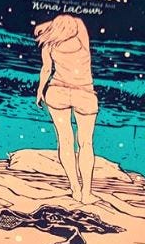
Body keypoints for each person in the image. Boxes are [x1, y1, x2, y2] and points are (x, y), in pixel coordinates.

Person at [34, 14, 99, 204]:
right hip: (84, 94)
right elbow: (77, 21)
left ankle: (75, 188)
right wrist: (57, 24)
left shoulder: (49, 44)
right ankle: (86, 193)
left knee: (65, 141)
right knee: (85, 143)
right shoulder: (81, 40)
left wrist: (40, 91)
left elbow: (46, 69)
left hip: (57, 92)